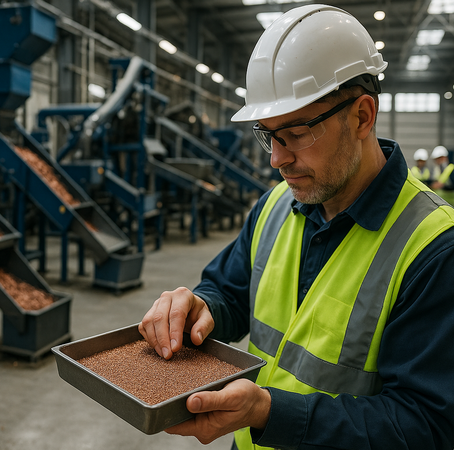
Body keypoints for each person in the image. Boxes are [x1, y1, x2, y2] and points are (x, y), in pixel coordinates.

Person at [139, 4, 454, 450]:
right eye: (268, 135)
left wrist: (270, 412)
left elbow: (426, 426)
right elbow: (228, 292)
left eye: (295, 133)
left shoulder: (433, 249)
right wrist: (198, 308)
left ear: (362, 117)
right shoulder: (275, 205)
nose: (276, 159)